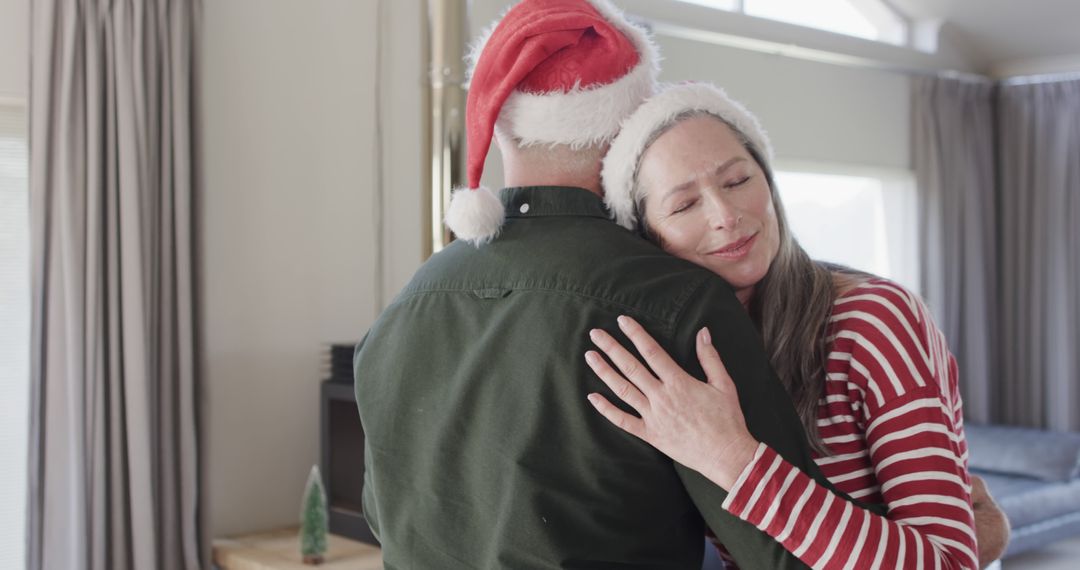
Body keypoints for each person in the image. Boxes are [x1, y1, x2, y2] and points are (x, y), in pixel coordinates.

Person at [353, 1, 877, 568]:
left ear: (500, 128)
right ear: (633, 124)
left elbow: (385, 519)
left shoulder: (403, 308)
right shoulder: (678, 305)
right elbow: (790, 556)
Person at [585, 81, 1010, 568]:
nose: (726, 215)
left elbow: (949, 562)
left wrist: (733, 458)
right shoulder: (674, 365)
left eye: (738, 181)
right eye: (684, 205)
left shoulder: (874, 320)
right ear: (647, 238)